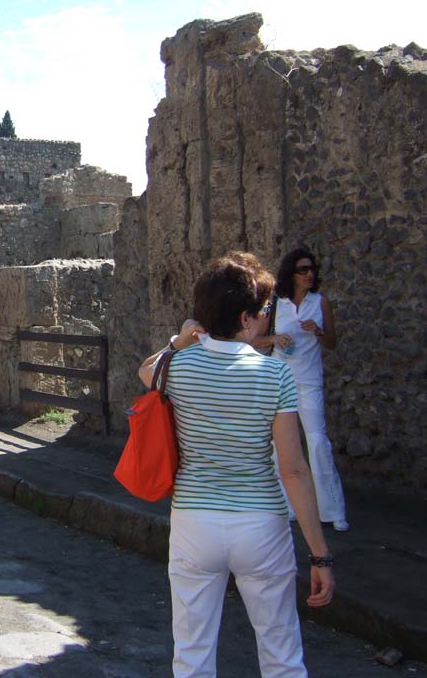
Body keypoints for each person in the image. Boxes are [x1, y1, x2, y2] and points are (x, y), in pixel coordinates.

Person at [137, 253, 334, 677]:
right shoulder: (274, 376)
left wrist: (179, 341)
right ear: (245, 318)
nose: (266, 318)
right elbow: (293, 470)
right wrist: (320, 556)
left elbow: (145, 371)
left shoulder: (177, 369)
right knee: (282, 654)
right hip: (260, 522)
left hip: (194, 521)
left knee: (192, 655)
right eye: (264, 311)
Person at [255, 248, 348, 533]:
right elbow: (255, 339)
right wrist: (275, 337)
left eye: (312, 269)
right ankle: (288, 505)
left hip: (309, 380)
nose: (310, 274)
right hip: (280, 380)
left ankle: (332, 509)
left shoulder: (321, 303)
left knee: (318, 441)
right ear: (291, 274)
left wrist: (318, 331)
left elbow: (332, 342)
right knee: (279, 445)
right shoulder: (274, 304)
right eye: (303, 270)